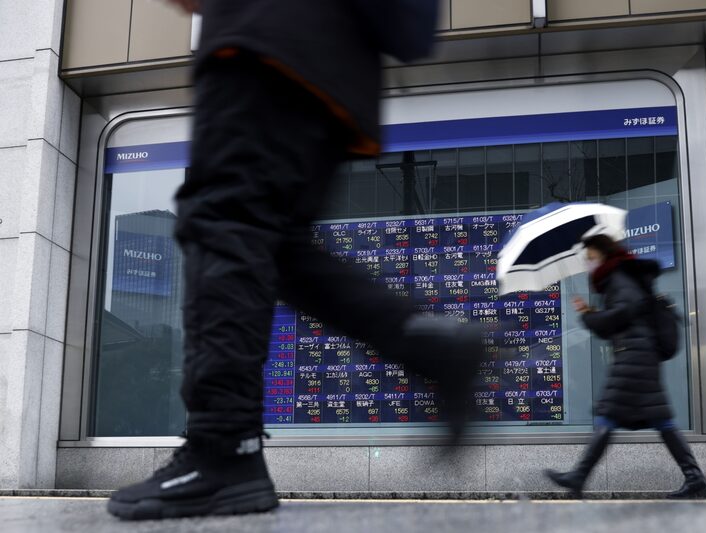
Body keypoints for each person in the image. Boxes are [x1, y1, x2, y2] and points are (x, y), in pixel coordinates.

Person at [107, 0, 485, 521]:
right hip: (325, 60)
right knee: (274, 246)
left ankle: (223, 449)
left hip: (267, 39)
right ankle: (431, 347)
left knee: (225, 223)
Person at [544, 234, 706, 499]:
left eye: (590, 256)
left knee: (609, 415)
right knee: (655, 418)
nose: (588, 262)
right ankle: (695, 478)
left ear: (602, 253)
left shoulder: (619, 277)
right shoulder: (620, 277)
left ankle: (579, 476)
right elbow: (621, 323)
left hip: (635, 357)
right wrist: (591, 314)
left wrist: (590, 317)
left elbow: (623, 315)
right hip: (637, 356)